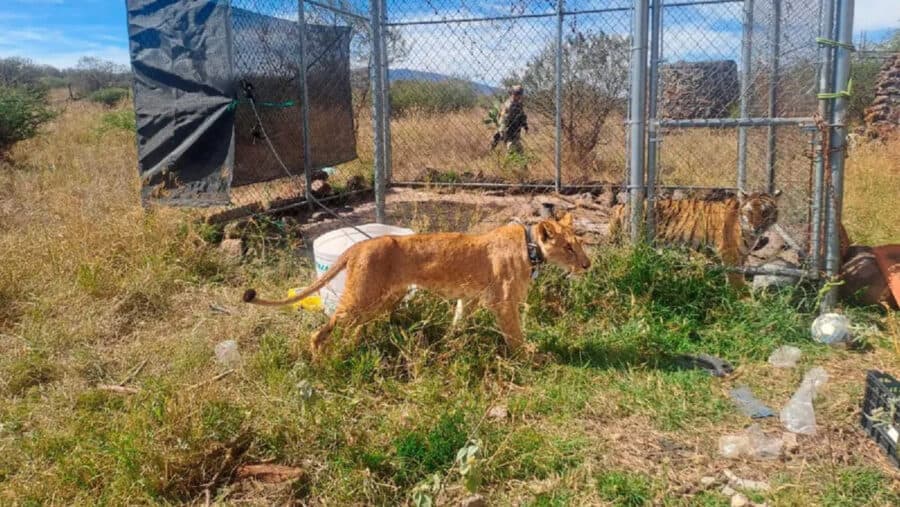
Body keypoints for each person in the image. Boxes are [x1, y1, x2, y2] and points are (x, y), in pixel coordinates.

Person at [492, 85, 529, 154]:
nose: (518, 96)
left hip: (515, 129)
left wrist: (525, 125)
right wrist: (501, 130)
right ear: (513, 93)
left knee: (516, 147)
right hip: (508, 128)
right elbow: (503, 118)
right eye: (516, 93)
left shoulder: (519, 104)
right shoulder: (508, 104)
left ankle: (518, 160)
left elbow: (522, 116)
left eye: (519, 94)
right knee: (511, 146)